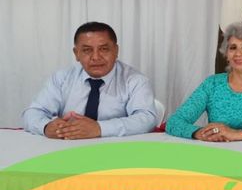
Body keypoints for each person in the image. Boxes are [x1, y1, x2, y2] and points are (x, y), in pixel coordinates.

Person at [22, 21, 158, 139]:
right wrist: (46, 126)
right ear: (76, 53)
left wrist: (99, 128)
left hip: (116, 151)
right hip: (67, 148)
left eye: (104, 49)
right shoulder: (61, 78)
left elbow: (147, 119)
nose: (96, 57)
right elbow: (32, 113)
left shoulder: (135, 80)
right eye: (87, 50)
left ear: (116, 51)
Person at [166, 23, 242, 141]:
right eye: (233, 47)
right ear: (227, 54)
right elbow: (174, 122)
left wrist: (236, 134)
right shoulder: (212, 84)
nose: (238, 53)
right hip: (217, 151)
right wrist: (200, 133)